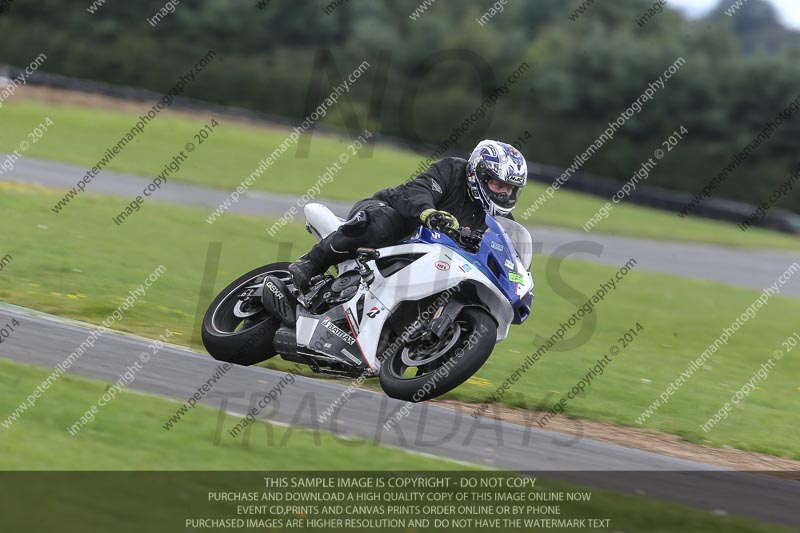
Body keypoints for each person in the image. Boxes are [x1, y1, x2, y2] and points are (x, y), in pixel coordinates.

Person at [288, 139, 528, 292]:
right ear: (479, 175)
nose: (505, 194)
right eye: (498, 185)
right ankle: (310, 263)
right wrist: (430, 214)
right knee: (385, 224)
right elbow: (417, 189)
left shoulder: (498, 222)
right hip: (391, 214)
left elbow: (507, 252)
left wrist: (519, 275)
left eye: (510, 189)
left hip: (430, 261)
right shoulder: (453, 170)